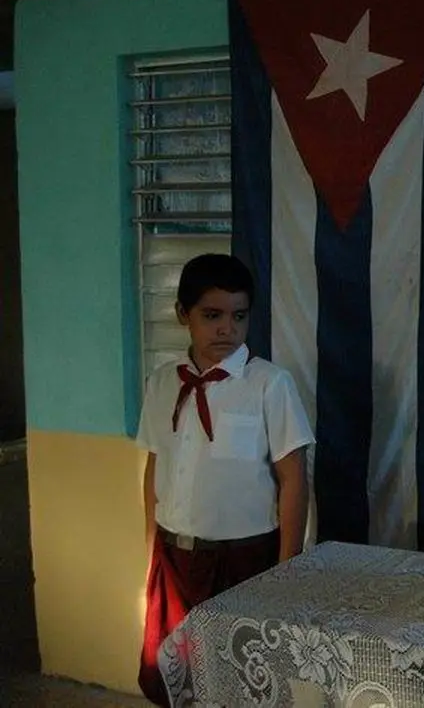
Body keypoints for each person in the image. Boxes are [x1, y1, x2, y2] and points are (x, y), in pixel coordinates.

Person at [135, 254, 315, 706]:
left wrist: (286, 569)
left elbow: (294, 478)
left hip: (244, 562)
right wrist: (151, 550)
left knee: (242, 684)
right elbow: (155, 466)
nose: (226, 330)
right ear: (183, 314)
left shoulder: (269, 384)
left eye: (238, 316)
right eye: (211, 315)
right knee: (175, 678)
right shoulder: (162, 383)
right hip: (174, 559)